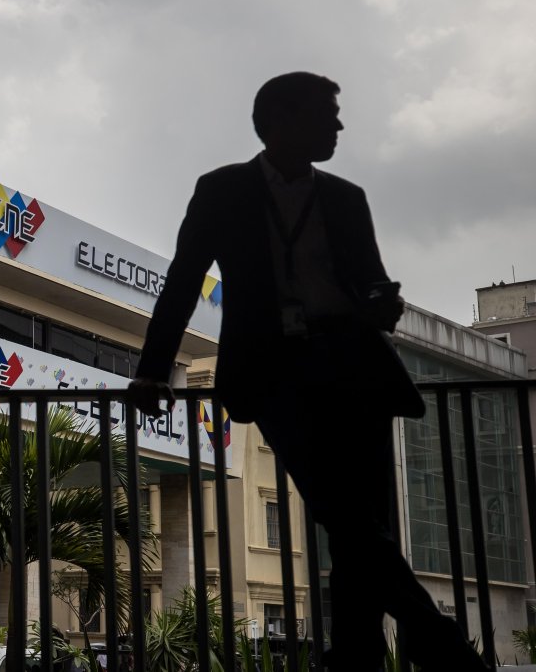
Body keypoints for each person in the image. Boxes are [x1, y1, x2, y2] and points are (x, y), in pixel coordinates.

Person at [128, 72, 488, 672]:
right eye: (328, 114)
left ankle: (358, 655)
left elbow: (370, 278)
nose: (339, 126)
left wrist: (381, 301)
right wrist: (152, 369)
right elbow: (183, 281)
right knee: (344, 512)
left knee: (357, 525)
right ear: (282, 119)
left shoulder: (347, 197)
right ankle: (437, 639)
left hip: (354, 367)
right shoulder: (222, 190)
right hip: (276, 373)